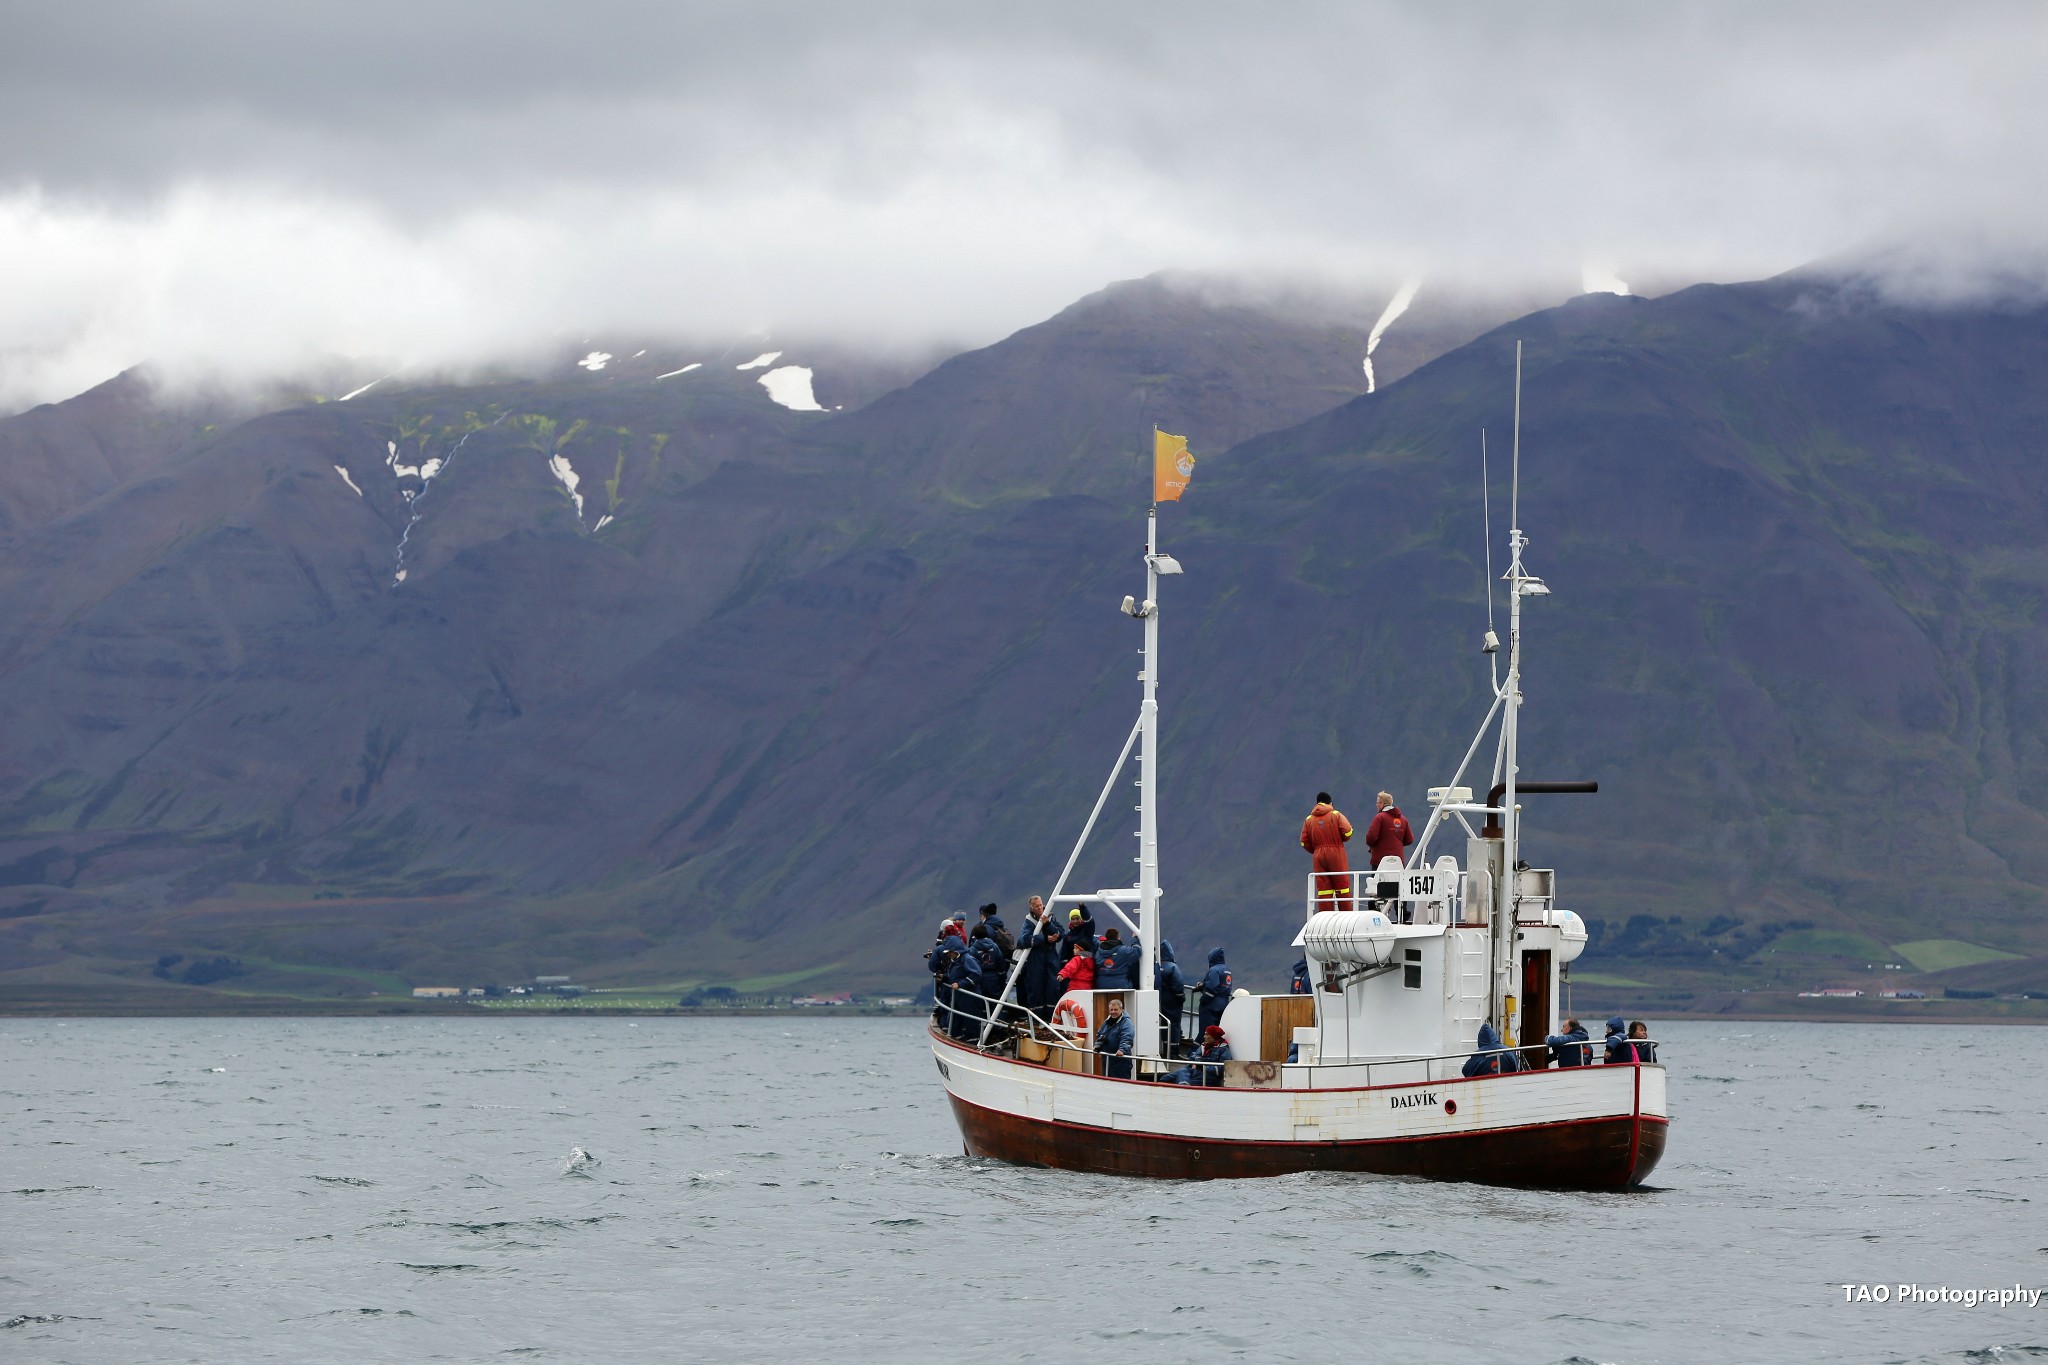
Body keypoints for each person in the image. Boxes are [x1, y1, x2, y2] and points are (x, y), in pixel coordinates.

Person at [1300, 792, 1355, 910]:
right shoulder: (1336, 815)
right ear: (1330, 803)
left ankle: (1325, 918)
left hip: (1318, 855)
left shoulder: (1309, 819)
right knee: (1342, 886)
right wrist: (1341, 839)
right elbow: (1348, 831)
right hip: (1336, 853)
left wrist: (1316, 850)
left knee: (1324, 889)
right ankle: (1346, 917)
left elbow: (1304, 841)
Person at [1016, 896, 1065, 1012]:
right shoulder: (1028, 921)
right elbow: (1025, 940)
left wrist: (1048, 924)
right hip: (1035, 957)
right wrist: (1044, 939)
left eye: (1040, 905)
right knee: (1036, 987)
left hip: (1051, 955)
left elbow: (1061, 933)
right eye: (1036, 906)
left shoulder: (1051, 917)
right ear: (1031, 908)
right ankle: (1037, 1016)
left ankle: (1051, 1015)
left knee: (1053, 985)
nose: (1039, 908)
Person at [1364, 791, 1414, 870]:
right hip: (1398, 862)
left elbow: (1371, 838)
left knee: (1378, 882)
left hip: (1380, 861)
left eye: (1378, 803)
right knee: (1397, 882)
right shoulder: (1403, 820)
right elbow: (1409, 840)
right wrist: (1397, 843)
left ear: (1383, 804)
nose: (1376, 805)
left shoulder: (1379, 818)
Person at [1155, 940, 1187, 1055]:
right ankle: (1173, 1051)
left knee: (1164, 1023)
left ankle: (1165, 1047)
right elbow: (1178, 984)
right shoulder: (1173, 967)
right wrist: (1181, 997)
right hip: (1173, 1000)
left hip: (1161, 998)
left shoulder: (1157, 966)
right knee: (1174, 1024)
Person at [1095, 997, 1136, 1079]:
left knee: (1121, 1084)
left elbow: (1127, 1037)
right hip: (1107, 1060)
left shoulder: (1126, 1023)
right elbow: (1100, 1034)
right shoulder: (1107, 1021)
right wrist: (1097, 1045)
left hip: (1120, 1061)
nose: (1113, 1012)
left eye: (1115, 1010)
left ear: (1121, 1009)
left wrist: (1122, 1050)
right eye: (1111, 1010)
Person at [1197, 948, 1233, 1035]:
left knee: (1206, 1032)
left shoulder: (1214, 970)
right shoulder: (1227, 970)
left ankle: (1197, 1048)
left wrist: (1203, 1001)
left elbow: (1212, 987)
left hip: (1211, 1005)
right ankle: (1216, 1047)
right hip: (1224, 1003)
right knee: (1217, 1032)